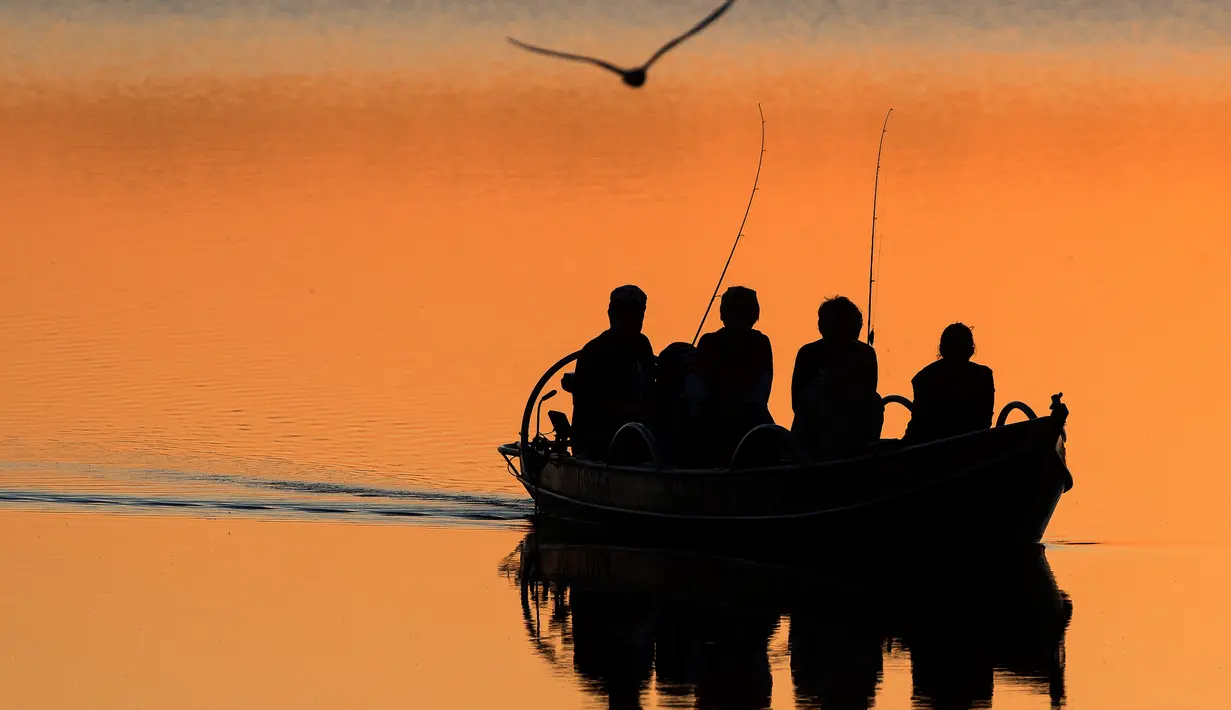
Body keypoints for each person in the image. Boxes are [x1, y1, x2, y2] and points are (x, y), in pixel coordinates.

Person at [790, 296, 884, 459]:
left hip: (852, 430)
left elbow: (869, 392)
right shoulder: (808, 353)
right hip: (814, 436)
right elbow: (797, 401)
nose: (820, 325)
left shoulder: (865, 353)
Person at [570, 285, 657, 460]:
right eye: (627, 314)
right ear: (611, 315)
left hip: (640, 435)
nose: (635, 320)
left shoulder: (642, 345)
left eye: (639, 314)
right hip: (601, 441)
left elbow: (649, 388)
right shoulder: (594, 351)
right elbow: (587, 406)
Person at [692, 286, 774, 465]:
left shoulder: (761, 343)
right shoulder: (708, 342)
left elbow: (762, 390)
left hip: (750, 416)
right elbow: (698, 388)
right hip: (712, 417)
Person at [903, 323, 995, 443]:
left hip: (949, 448)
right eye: (954, 348)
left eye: (960, 349)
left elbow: (917, 426)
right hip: (966, 449)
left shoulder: (924, 377)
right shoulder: (984, 376)